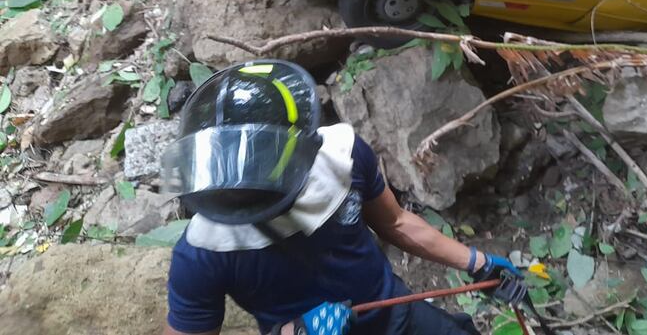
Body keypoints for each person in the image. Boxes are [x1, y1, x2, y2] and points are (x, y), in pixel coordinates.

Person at [160, 59, 525, 335]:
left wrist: (477, 262)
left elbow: (395, 222)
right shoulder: (203, 254)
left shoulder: (342, 158)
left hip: (394, 315)